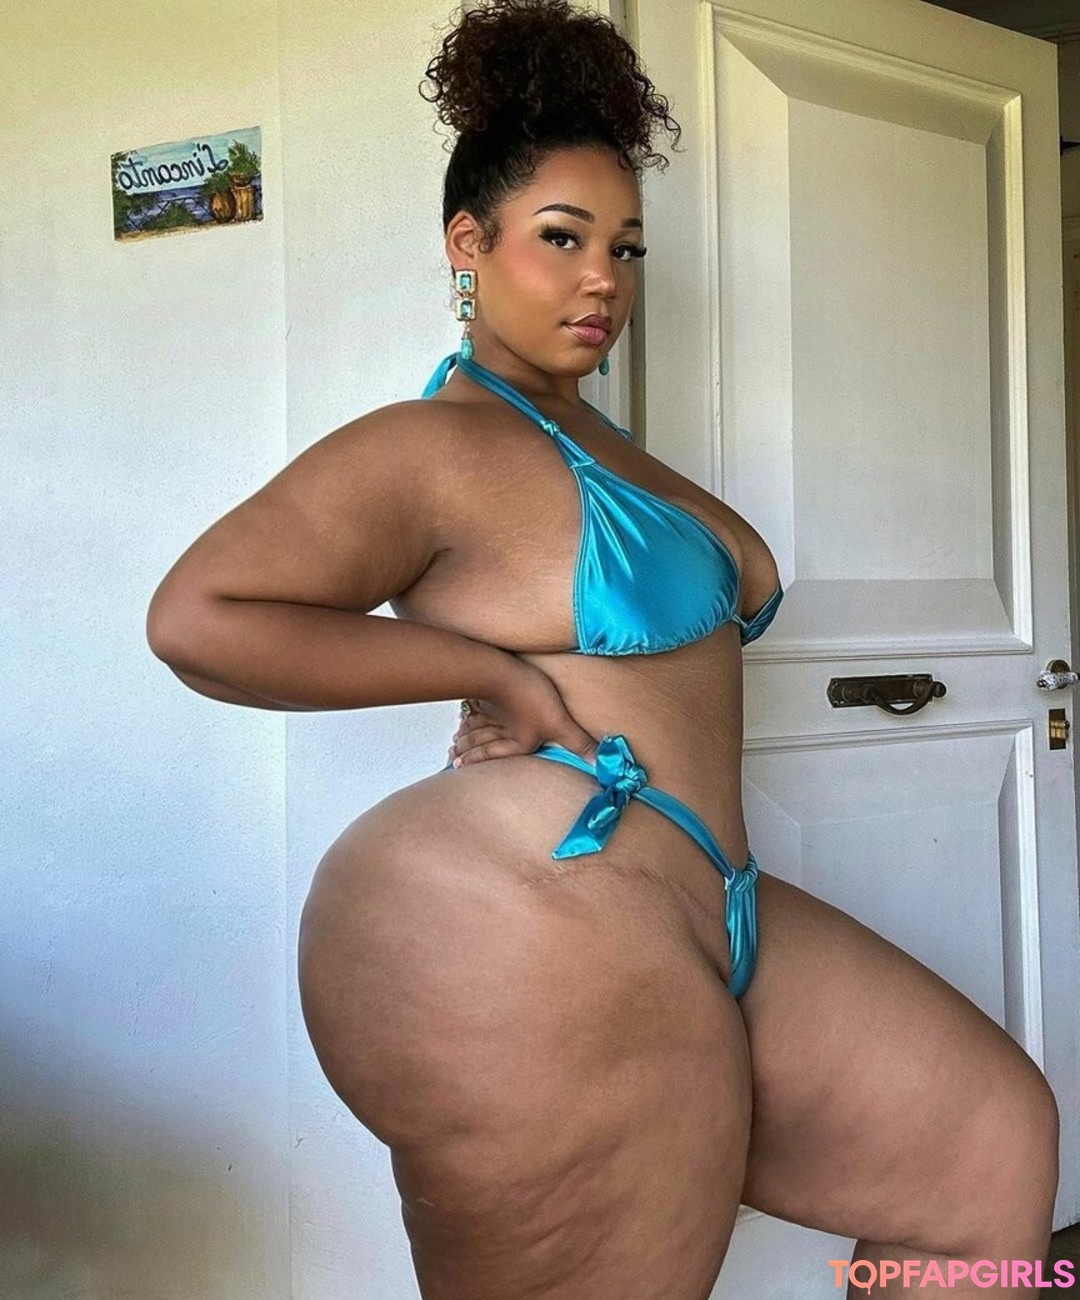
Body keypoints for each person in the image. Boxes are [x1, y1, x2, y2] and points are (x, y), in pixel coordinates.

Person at [145, 2, 1059, 1296]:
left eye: (624, 247)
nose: (603, 281)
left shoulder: (598, 441)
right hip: (544, 912)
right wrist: (491, 674)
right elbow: (200, 620)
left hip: (708, 900)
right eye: (562, 238)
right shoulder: (434, 447)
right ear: (469, 246)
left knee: (987, 1153)